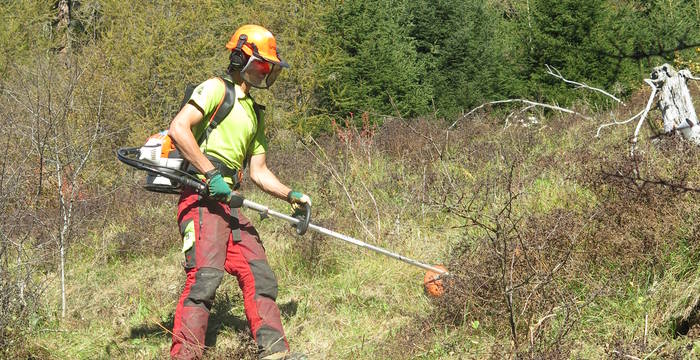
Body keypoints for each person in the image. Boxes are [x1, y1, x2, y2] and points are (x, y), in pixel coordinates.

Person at [167, 24, 310, 360]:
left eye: (269, 67)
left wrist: (293, 195)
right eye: (261, 64)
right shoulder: (215, 89)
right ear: (241, 58)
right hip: (201, 196)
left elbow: (258, 171)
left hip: (228, 201)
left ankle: (274, 352)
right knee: (205, 277)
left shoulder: (255, 114)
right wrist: (211, 172)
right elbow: (179, 128)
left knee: (258, 273)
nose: (266, 71)